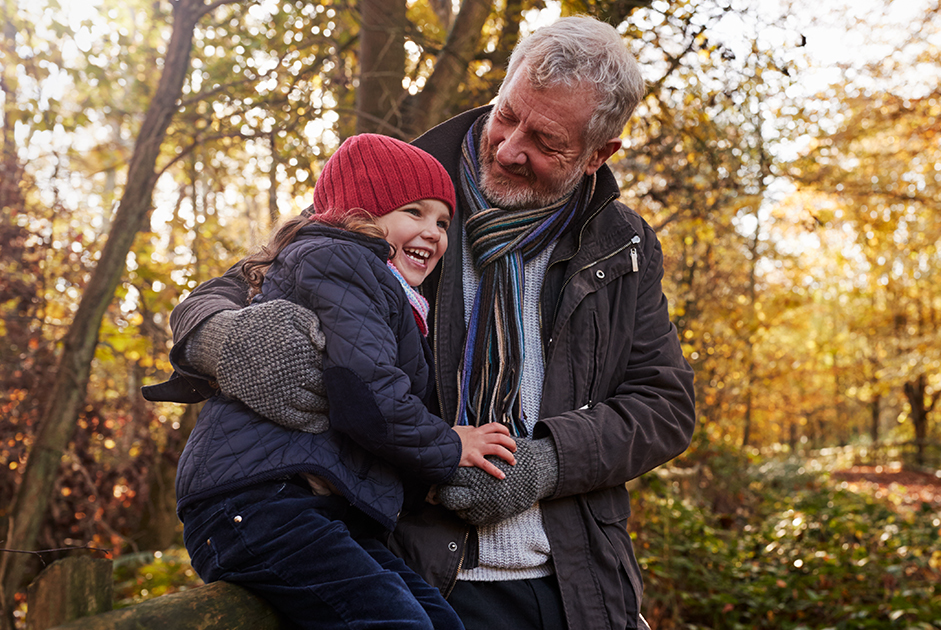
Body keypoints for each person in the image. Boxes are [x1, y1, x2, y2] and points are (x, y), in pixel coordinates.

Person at [145, 16, 696, 630]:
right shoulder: (399, 184)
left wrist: (547, 462)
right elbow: (238, 283)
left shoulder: (624, 245)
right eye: (507, 115)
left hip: (576, 584)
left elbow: (664, 404)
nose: (511, 148)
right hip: (420, 566)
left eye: (546, 142)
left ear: (598, 155)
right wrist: (222, 340)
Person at [169, 134, 517, 630]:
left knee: (442, 622)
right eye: (413, 212)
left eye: (442, 221)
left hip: (320, 509)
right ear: (362, 214)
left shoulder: (393, 294)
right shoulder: (340, 260)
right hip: (256, 502)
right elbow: (368, 396)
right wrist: (449, 446)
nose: (433, 232)